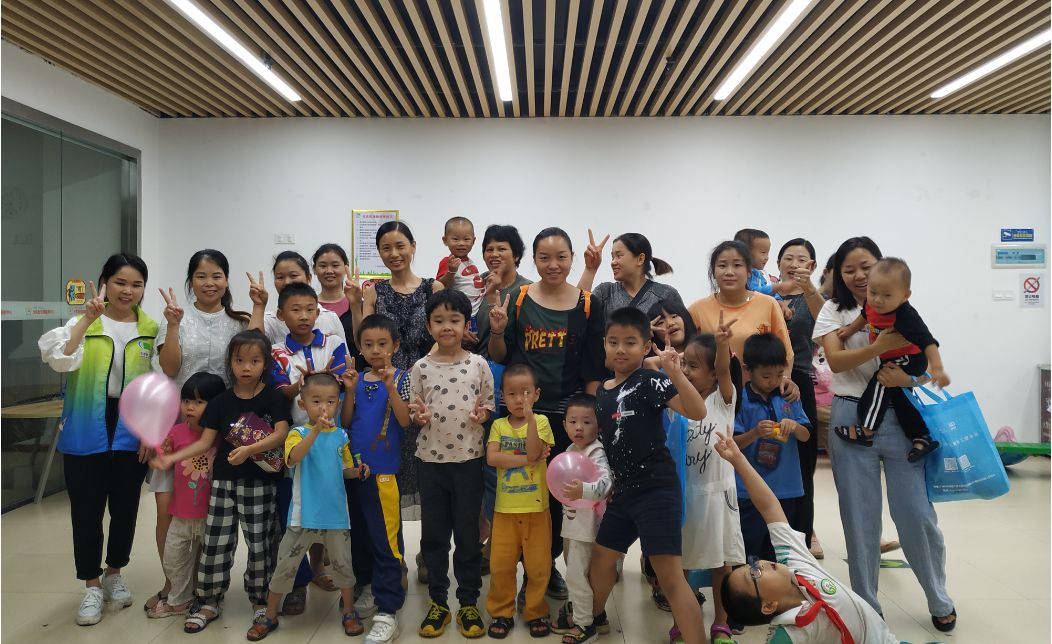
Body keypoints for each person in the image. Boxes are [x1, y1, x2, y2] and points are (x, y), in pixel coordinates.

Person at [813, 237, 956, 632]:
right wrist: (883, 346)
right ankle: (866, 606)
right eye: (849, 269)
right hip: (850, 415)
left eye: (866, 266)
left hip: (900, 415)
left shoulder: (902, 310)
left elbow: (922, 364)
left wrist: (907, 378)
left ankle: (938, 596)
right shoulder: (833, 310)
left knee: (917, 513)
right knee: (859, 518)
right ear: (838, 274)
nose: (859, 276)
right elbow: (837, 361)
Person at [487, 227, 607, 601]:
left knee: (554, 497)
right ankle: (518, 565)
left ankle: (545, 568)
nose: (553, 265)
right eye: (544, 257)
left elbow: (594, 367)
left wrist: (588, 422)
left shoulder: (588, 304)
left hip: (564, 416)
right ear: (534, 260)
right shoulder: (519, 299)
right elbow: (500, 355)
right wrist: (497, 332)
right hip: (521, 413)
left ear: (572, 259)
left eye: (561, 257)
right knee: (521, 491)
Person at [38, 253, 157, 626]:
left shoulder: (150, 328)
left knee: (126, 507)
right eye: (120, 282)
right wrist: (86, 320)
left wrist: (151, 431)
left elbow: (156, 384)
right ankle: (91, 584)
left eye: (136, 284)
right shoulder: (83, 322)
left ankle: (114, 573)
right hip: (87, 423)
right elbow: (59, 360)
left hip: (131, 425)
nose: (128, 291)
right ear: (104, 282)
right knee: (86, 510)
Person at [148, 249, 265, 611]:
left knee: (204, 510)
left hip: (222, 431)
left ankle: (201, 585)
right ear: (191, 281)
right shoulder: (177, 318)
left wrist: (258, 307)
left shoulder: (239, 322)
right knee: (167, 508)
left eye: (217, 275)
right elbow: (170, 369)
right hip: (179, 423)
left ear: (226, 280)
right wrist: (172, 325)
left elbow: (257, 353)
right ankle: (173, 584)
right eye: (201, 276)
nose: (209, 283)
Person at [156, 330, 291, 633]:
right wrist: (171, 458)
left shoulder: (273, 397)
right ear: (230, 362)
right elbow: (205, 442)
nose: (246, 367)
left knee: (260, 544)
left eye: (254, 361)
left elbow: (281, 433)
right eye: (239, 360)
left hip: (259, 483)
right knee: (216, 544)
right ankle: (208, 601)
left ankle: (260, 601)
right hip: (223, 484)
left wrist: (249, 450)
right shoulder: (221, 401)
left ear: (265, 363)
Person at [588, 307, 708, 644]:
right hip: (623, 493)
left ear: (644, 347)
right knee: (602, 558)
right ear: (604, 344)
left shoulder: (650, 381)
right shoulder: (602, 391)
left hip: (657, 490)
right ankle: (592, 618)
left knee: (670, 577)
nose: (620, 349)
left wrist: (675, 373)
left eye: (630, 342)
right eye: (613, 342)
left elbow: (697, 411)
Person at [712, 432, 900, 644]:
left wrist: (738, 459)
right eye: (754, 574)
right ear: (768, 606)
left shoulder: (796, 563)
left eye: (752, 564)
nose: (760, 564)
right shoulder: (790, 635)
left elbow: (769, 506)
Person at [245, 373, 371, 640]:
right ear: (303, 405)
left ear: (338, 404)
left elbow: (345, 470)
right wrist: (315, 431)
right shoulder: (297, 433)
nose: (324, 407)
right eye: (316, 401)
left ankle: (348, 611)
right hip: (303, 516)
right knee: (285, 565)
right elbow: (294, 457)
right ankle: (270, 615)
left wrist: (358, 471)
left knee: (343, 566)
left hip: (336, 516)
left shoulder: (341, 436)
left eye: (331, 401)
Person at [409, 289, 495, 638]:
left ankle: (469, 600)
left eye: (454, 320)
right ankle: (438, 601)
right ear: (429, 326)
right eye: (439, 320)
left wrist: (482, 415)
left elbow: (488, 405)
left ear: (466, 325)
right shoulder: (420, 367)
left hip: (469, 461)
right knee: (434, 535)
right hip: (430, 462)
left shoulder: (478, 364)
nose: (447, 326)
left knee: (468, 534)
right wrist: (418, 417)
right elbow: (415, 411)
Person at [352, 221, 444, 529]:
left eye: (400, 246)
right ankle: (392, 544)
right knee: (391, 459)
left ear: (413, 246)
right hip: (386, 382)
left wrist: (421, 371)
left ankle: (429, 546)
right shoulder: (373, 292)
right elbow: (364, 338)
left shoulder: (433, 288)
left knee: (426, 461)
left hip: (426, 380)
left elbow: (442, 331)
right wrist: (354, 305)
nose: (394, 253)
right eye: (386, 248)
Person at [269, 281, 351, 611]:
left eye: (309, 310)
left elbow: (339, 382)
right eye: (295, 310)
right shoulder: (277, 351)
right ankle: (297, 581)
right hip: (297, 437)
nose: (303, 316)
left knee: (325, 502)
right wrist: (299, 385)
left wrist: (322, 381)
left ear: (318, 312)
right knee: (297, 507)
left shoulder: (333, 342)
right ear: (281, 315)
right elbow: (280, 391)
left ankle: (318, 568)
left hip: (331, 435)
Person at [341, 314, 413, 644]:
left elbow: (405, 420)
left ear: (395, 346)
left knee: (386, 540)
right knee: (361, 535)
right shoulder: (356, 378)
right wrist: (350, 391)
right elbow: (347, 420)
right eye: (368, 344)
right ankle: (369, 586)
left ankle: (388, 610)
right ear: (359, 347)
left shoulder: (401, 377)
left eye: (382, 343)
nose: (375, 350)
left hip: (383, 472)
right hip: (354, 470)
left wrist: (390, 387)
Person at [836, 258, 949, 462]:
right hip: (893, 356)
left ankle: (867, 430)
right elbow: (865, 315)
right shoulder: (871, 303)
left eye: (887, 295)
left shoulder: (906, 316)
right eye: (873, 292)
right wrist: (850, 329)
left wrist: (938, 369)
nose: (878, 300)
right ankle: (921, 437)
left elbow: (928, 342)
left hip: (911, 358)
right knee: (900, 399)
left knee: (881, 380)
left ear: (905, 295)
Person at [677, 327, 745, 644]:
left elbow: (723, 368)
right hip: (686, 495)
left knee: (722, 563)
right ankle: (683, 622)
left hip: (719, 495)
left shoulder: (723, 400)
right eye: (684, 363)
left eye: (693, 366)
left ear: (715, 374)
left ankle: (721, 623)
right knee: (682, 563)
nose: (686, 371)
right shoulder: (676, 400)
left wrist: (721, 345)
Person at [473, 224, 532, 573]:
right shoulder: (478, 287)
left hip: (511, 385)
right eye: (489, 248)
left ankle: (503, 542)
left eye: (502, 248)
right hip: (478, 383)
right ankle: (487, 537)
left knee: (505, 465)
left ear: (517, 254)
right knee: (482, 463)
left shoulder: (527, 290)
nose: (494, 254)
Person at [146, 372, 226, 619]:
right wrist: (160, 453)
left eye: (199, 402)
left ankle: (207, 598)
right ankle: (179, 597)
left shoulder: (220, 436)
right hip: (181, 513)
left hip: (211, 514)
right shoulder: (177, 432)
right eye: (186, 401)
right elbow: (161, 458)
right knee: (173, 558)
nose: (190, 407)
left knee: (210, 561)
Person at [484, 363, 556, 638]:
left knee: (539, 566)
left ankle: (536, 611)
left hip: (537, 509)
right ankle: (502, 612)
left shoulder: (542, 422)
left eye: (526, 393)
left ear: (536, 394)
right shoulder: (499, 425)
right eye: (512, 393)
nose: (519, 399)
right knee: (500, 565)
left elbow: (537, 450)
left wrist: (530, 420)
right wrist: (527, 460)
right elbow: (493, 458)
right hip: (505, 510)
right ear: (502, 396)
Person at [733, 333, 812, 563]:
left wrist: (795, 426)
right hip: (749, 491)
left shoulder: (789, 396)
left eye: (779, 374)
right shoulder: (740, 400)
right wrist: (755, 432)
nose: (773, 381)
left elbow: (806, 436)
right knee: (749, 551)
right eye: (766, 376)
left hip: (786, 490)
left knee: (780, 554)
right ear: (747, 370)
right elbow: (733, 444)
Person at [689, 240, 799, 402]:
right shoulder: (697, 309)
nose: (729, 272)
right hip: (712, 400)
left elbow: (786, 352)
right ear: (713, 271)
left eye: (737, 265)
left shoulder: (768, 304)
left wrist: (785, 378)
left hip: (760, 398)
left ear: (749, 271)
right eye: (722, 266)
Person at [773, 239, 825, 555]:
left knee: (803, 464)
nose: (794, 264)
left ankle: (803, 541)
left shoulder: (816, 299)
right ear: (777, 263)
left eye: (802, 260)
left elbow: (825, 327)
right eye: (788, 258)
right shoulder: (765, 295)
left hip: (799, 381)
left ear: (812, 266)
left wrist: (808, 290)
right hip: (761, 382)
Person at [549, 393, 613, 644]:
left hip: (586, 528)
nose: (579, 427)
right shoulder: (570, 450)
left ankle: (585, 625)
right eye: (573, 421)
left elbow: (606, 484)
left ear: (599, 426)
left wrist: (583, 490)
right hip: (572, 524)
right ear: (564, 424)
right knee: (576, 570)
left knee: (577, 575)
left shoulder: (596, 451)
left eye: (586, 422)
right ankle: (594, 616)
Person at [576, 230, 684, 322]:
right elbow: (576, 315)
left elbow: (684, 331)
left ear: (640, 259)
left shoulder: (666, 294)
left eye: (619, 256)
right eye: (612, 257)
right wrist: (590, 269)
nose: (613, 262)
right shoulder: (605, 292)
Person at [260, 251, 346, 344]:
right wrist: (258, 306)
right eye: (280, 277)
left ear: (308, 278)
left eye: (293, 275)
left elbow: (342, 350)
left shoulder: (329, 318)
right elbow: (253, 346)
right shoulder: (268, 320)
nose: (287, 282)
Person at [436, 216, 486, 326]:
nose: (461, 243)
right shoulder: (448, 261)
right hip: (463, 314)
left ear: (473, 241)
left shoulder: (470, 261)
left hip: (476, 312)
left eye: (466, 239)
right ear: (445, 240)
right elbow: (439, 287)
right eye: (455, 239)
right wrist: (451, 271)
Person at [311, 243, 359, 345]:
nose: (329, 271)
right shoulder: (309, 306)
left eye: (335, 265)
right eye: (323, 266)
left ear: (346, 268)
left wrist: (356, 305)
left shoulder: (358, 302)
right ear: (314, 269)